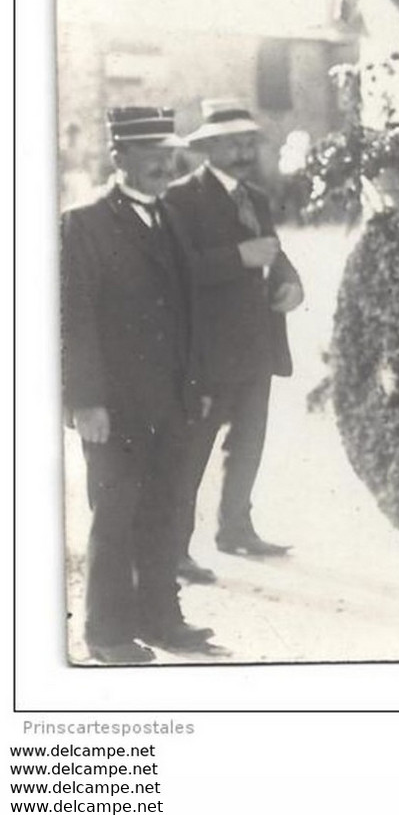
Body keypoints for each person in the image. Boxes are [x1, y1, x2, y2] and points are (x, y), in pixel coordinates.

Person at [61, 107, 216, 661]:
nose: (162, 163)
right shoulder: (84, 222)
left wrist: (196, 383)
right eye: (149, 153)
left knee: (167, 509)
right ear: (118, 157)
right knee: (116, 515)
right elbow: (73, 319)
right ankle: (105, 633)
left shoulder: (170, 216)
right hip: (115, 408)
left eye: (168, 152)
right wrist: (84, 402)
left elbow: (188, 309)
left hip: (172, 400)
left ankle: (161, 618)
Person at [163, 99, 304, 576]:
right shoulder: (180, 198)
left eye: (249, 142)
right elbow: (177, 271)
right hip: (206, 349)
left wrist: (290, 281)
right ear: (206, 148)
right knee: (192, 450)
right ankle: (173, 549)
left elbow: (273, 254)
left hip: (257, 343)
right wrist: (239, 256)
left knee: (249, 442)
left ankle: (235, 529)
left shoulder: (256, 198)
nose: (244, 152)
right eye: (232, 143)